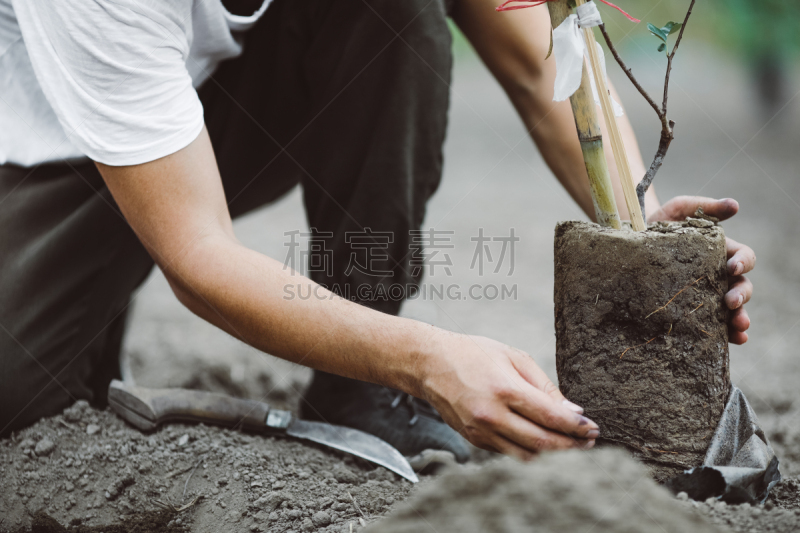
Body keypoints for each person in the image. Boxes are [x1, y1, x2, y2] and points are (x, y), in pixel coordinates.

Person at [0, 0, 755, 464]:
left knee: (396, 8)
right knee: (16, 399)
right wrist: (426, 360)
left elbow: (536, 71)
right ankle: (87, 295)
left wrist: (640, 226)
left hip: (204, 112)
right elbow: (198, 254)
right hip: (47, 159)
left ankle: (353, 389)